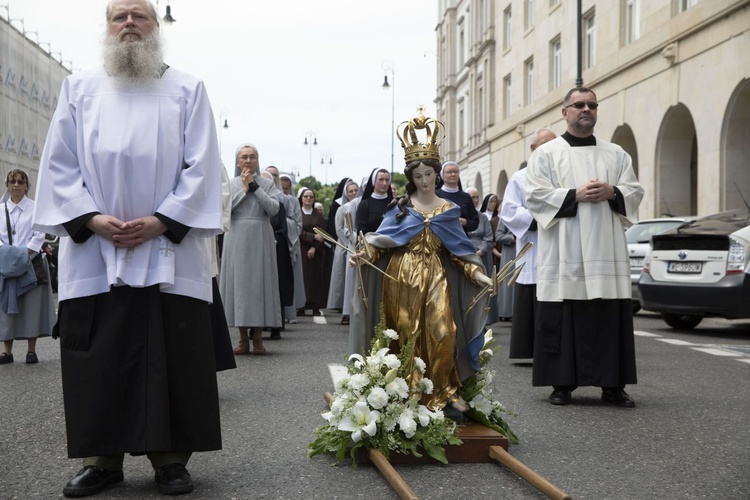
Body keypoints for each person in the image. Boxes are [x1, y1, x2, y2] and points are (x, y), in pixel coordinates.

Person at [33, 1, 224, 495]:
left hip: (168, 249)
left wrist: (162, 221)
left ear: (156, 27)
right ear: (107, 28)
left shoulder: (187, 88)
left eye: (140, 16)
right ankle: (102, 460)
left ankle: (170, 461)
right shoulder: (80, 88)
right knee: (101, 353)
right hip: (97, 249)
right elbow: (58, 164)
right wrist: (92, 219)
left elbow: (203, 167)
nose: (129, 25)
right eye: (120, 17)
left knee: (172, 352)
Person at [350, 108, 492, 415]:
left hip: (437, 275)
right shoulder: (400, 207)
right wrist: (365, 254)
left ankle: (444, 393)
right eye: (418, 175)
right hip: (401, 277)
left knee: (444, 331)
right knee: (405, 334)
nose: (425, 180)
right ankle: (404, 394)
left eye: (429, 174)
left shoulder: (448, 209)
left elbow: (459, 249)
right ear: (411, 178)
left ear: (436, 174)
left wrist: (476, 273)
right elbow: (381, 241)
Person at [525, 87, 644, 407]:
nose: (586, 109)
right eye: (579, 105)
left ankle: (612, 386)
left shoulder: (616, 153)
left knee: (608, 316)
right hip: (565, 251)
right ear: (565, 112)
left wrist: (614, 191)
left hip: (606, 251)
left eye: (592, 104)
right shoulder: (546, 154)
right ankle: (562, 384)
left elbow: (634, 192)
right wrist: (573, 195)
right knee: (564, 315)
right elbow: (533, 196)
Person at [500, 127, 556, 360]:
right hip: (533, 247)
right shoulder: (520, 177)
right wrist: (538, 217)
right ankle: (529, 349)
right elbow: (509, 210)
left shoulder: (563, 174)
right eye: (544, 144)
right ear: (533, 149)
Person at [220, 144, 281, 355]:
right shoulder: (230, 184)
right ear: (237, 162)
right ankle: (242, 338)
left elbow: (273, 209)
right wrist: (245, 190)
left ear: (257, 160)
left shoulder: (267, 183)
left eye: (252, 157)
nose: (248, 161)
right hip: (237, 236)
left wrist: (255, 187)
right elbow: (225, 210)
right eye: (244, 157)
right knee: (240, 287)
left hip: (261, 236)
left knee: (259, 285)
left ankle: (258, 337)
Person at [0, 170, 55, 366]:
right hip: (6, 265)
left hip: (32, 264)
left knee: (31, 308)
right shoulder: (0, 209)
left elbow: (39, 235)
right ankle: (7, 352)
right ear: (7, 184)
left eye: (20, 182)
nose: (16, 185)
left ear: (27, 186)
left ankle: (31, 351)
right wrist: (9, 257)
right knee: (7, 309)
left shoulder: (35, 209)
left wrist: (23, 256)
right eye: (12, 181)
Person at [262, 169, 293, 340]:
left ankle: (276, 326)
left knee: (276, 285)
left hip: (276, 247)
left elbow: (282, 227)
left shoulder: (279, 205)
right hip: (259, 245)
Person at [327, 179, 358, 315]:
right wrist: (347, 244)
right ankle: (342, 307)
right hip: (344, 245)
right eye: (350, 191)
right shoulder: (341, 208)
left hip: (355, 245)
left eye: (356, 190)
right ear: (346, 193)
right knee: (342, 278)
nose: (353, 193)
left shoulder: (360, 206)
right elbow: (338, 228)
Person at [466, 187, 496, 325]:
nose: (475, 200)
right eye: (472, 197)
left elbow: (489, 238)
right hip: (466, 257)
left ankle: (485, 319)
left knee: (485, 287)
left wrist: (480, 251)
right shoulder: (460, 217)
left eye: (477, 197)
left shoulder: (483, 217)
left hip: (483, 257)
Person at [340, 177, 368, 326]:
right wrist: (359, 239)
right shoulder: (353, 205)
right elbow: (347, 227)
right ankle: (348, 312)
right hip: (356, 246)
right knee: (352, 281)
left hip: (373, 247)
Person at [280, 174, 306, 324]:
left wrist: (284, 223)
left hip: (289, 240)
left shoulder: (293, 201)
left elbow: (298, 224)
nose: (284, 190)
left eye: (286, 188)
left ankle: (290, 312)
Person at [298, 188, 327, 316]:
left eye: (311, 197)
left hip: (316, 251)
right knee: (302, 277)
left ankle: (316, 306)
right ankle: (301, 305)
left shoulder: (318, 215)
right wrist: (312, 237)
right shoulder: (297, 213)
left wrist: (314, 247)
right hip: (301, 249)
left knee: (315, 278)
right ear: (301, 198)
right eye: (306, 196)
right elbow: (297, 231)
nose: (308, 199)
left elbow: (322, 232)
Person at [436, 161, 479, 235]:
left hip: (461, 239)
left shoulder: (466, 197)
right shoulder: (436, 195)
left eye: (455, 172)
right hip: (440, 239)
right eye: (449, 172)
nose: (453, 174)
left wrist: (464, 222)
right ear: (442, 175)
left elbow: (475, 222)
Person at [355, 168, 393, 235]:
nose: (384, 183)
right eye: (381, 179)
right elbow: (361, 231)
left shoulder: (394, 203)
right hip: (371, 244)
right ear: (373, 181)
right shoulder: (364, 205)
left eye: (387, 180)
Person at [495, 209, 516, 321]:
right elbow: (498, 235)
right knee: (509, 282)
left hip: (524, 250)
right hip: (510, 252)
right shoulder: (505, 216)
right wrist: (512, 238)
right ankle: (506, 312)